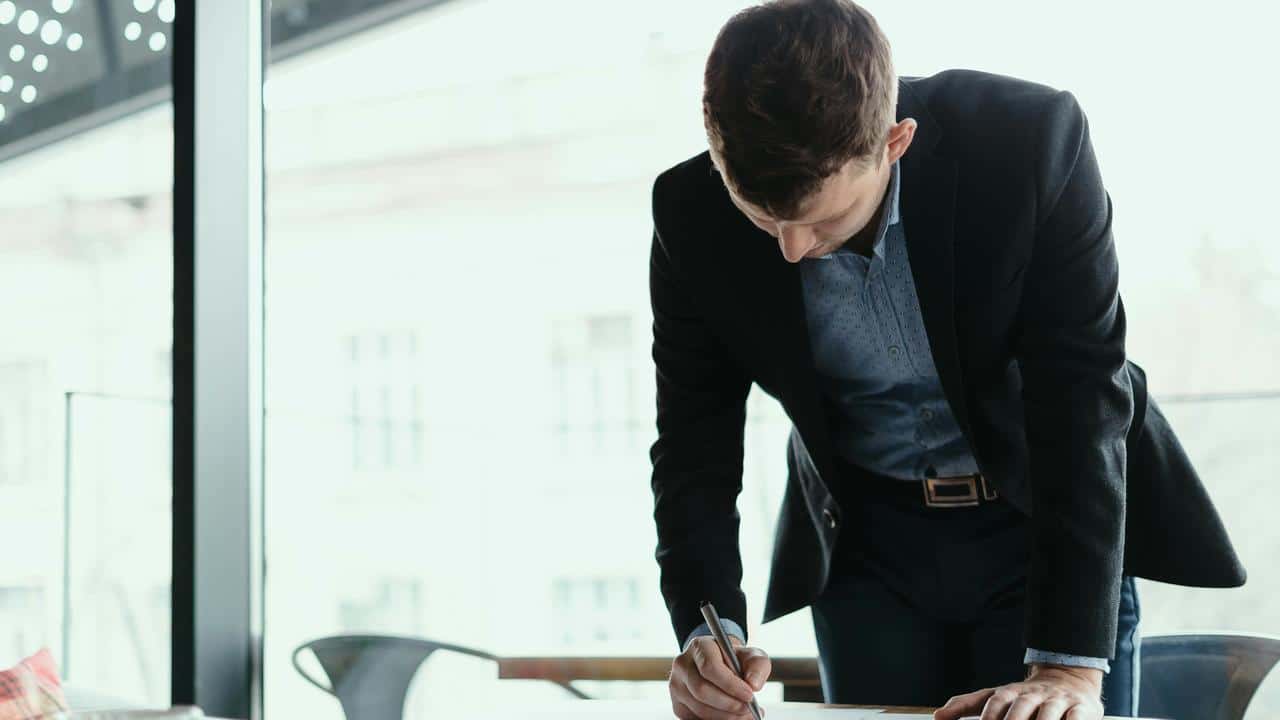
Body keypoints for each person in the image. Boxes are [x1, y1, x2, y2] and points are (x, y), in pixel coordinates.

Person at [647, 2, 1246, 719]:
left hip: (1039, 523)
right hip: (865, 546)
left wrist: (1066, 670)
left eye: (824, 220)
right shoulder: (689, 210)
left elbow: (1082, 398)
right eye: (763, 219)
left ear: (896, 141)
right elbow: (693, 450)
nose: (793, 251)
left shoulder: (1029, 143)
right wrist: (708, 633)